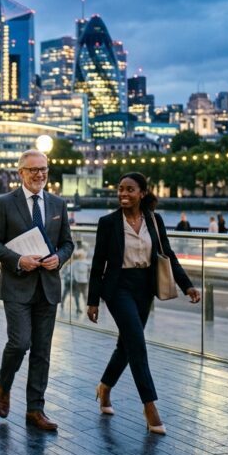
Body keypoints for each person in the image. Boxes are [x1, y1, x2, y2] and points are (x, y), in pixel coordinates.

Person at [86, 172, 200, 435]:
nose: (123, 194)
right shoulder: (108, 222)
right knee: (137, 343)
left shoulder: (154, 220)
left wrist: (187, 285)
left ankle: (104, 387)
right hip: (118, 288)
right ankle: (150, 406)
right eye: (120, 189)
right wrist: (93, 301)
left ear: (142, 193)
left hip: (145, 288)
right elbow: (98, 264)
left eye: (130, 190)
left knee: (126, 346)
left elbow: (167, 254)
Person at [0, 149, 74, 432]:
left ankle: (35, 410)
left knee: (42, 351)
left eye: (43, 169)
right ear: (21, 173)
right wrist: (18, 260)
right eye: (33, 169)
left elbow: (68, 243)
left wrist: (59, 257)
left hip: (48, 286)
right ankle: (4, 385)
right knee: (20, 343)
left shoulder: (58, 204)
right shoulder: (5, 203)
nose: (39, 174)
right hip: (17, 285)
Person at [70, 247, 89, 315]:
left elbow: (88, 272)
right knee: (77, 296)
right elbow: (73, 272)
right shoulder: (76, 263)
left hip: (84, 282)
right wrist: (75, 279)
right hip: (77, 281)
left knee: (85, 295)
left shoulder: (86, 263)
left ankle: (86, 308)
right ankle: (78, 308)